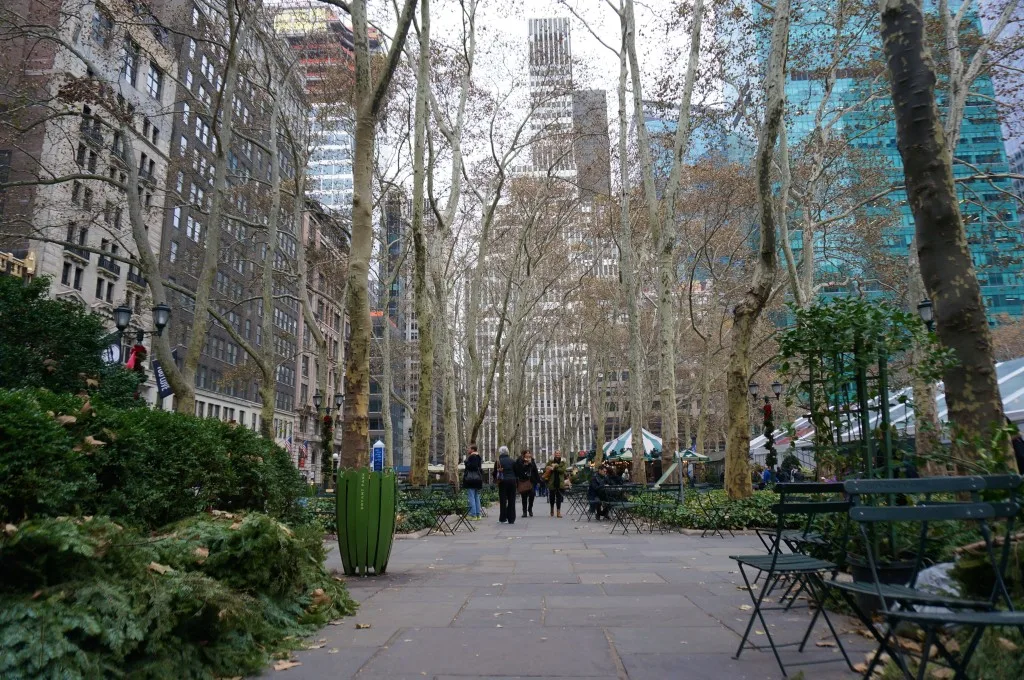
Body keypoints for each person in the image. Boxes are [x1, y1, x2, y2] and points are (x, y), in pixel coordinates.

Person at [515, 449, 540, 517]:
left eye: (529, 453)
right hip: (523, 481)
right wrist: (526, 464)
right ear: (524, 454)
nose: (528, 454)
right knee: (524, 497)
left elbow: (535, 471)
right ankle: (524, 512)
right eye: (527, 453)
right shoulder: (519, 460)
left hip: (531, 481)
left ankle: (530, 509)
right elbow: (518, 470)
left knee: (532, 495)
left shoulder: (532, 460)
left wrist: (538, 481)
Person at [544, 450, 569, 517]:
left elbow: (562, 470)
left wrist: (555, 466)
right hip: (552, 482)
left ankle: (558, 512)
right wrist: (549, 468)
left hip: (560, 482)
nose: (557, 454)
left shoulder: (563, 462)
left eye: (559, 453)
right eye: (556, 453)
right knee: (551, 497)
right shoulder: (550, 461)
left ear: (560, 454)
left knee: (559, 498)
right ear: (554, 454)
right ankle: (552, 509)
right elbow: (545, 469)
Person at [496, 446, 517, 524]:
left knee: (503, 500)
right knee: (512, 500)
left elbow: (495, 473)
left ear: (500, 452)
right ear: (508, 452)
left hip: (502, 482)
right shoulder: (512, 461)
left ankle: (503, 518)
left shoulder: (498, 462)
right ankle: (511, 518)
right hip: (512, 481)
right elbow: (516, 471)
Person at [462, 444, 484, 520]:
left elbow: (472, 467)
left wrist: (466, 462)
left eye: (469, 449)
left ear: (473, 450)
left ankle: (473, 514)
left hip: (471, 480)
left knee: (471, 497)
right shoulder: (478, 457)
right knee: (476, 497)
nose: (468, 450)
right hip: (477, 480)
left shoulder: (472, 457)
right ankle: (478, 514)